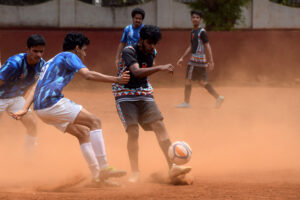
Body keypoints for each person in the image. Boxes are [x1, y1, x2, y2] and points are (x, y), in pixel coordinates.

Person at [11, 32, 130, 186]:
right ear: (76, 48)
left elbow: (35, 88)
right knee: (95, 121)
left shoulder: (50, 61)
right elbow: (87, 75)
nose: (85, 54)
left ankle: (97, 178)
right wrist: (117, 80)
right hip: (52, 103)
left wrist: (25, 109)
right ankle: (104, 167)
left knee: (82, 133)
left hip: (41, 110)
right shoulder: (69, 55)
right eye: (84, 50)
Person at [113, 25, 192, 183]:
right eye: (150, 43)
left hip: (144, 93)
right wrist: (160, 67)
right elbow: (136, 72)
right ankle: (135, 172)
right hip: (124, 94)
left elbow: (145, 72)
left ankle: (173, 167)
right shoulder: (129, 51)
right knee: (133, 132)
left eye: (155, 44)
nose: (153, 47)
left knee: (159, 125)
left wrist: (153, 68)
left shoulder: (152, 52)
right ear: (141, 40)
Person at [0, 34, 46, 156]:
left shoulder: (42, 66)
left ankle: (29, 157)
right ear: (28, 50)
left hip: (16, 98)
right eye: (35, 51)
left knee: (32, 125)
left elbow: (30, 86)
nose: (38, 55)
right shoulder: (14, 63)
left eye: (41, 51)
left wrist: (22, 103)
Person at [176, 10, 224, 109]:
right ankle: (218, 97)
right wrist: (182, 57)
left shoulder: (202, 32)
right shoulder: (193, 31)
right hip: (199, 61)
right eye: (193, 17)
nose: (195, 19)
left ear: (200, 20)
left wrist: (211, 61)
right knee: (202, 82)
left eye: (197, 17)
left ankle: (186, 102)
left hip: (195, 61)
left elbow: (208, 46)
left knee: (188, 80)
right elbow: (191, 46)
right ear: (191, 19)